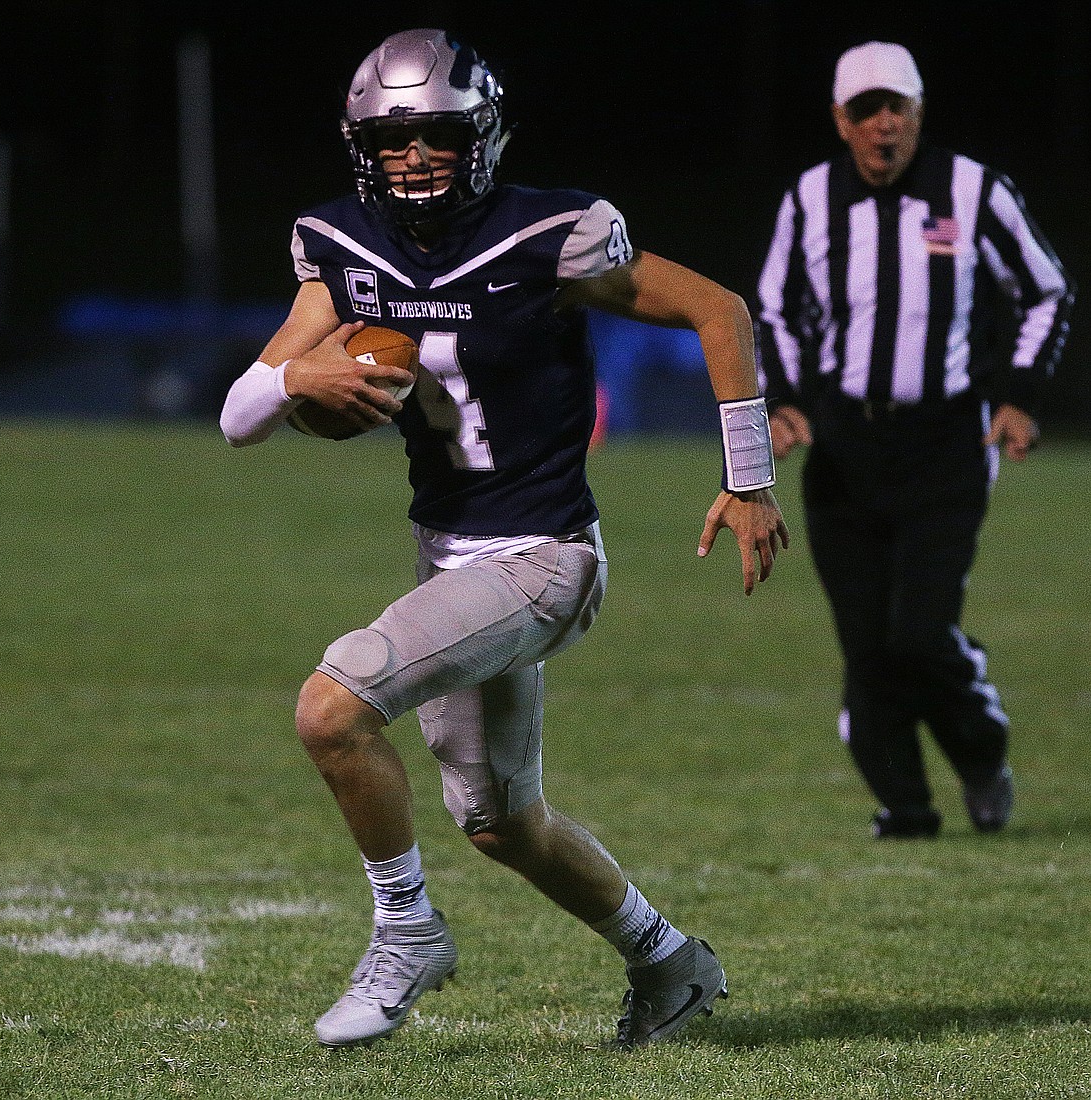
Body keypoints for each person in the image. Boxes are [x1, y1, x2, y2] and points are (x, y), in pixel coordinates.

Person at [220, 28, 788, 1049]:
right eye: (395, 142)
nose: (418, 158)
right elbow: (239, 414)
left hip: (544, 558)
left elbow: (719, 309)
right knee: (499, 820)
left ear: (482, 134)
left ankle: (405, 928)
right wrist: (303, 376)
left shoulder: (551, 236)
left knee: (330, 707)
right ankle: (670, 961)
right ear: (363, 149)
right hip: (450, 555)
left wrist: (749, 476)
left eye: (440, 134)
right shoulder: (343, 247)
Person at [756, 41, 1074, 839]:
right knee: (867, 647)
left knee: (921, 635)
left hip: (945, 447)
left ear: (920, 112)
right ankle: (906, 807)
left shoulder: (972, 191)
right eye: (866, 110)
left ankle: (981, 751)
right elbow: (772, 306)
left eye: (896, 106)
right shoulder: (808, 200)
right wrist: (789, 400)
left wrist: (1019, 397)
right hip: (845, 450)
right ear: (840, 120)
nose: (883, 124)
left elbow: (1046, 290)